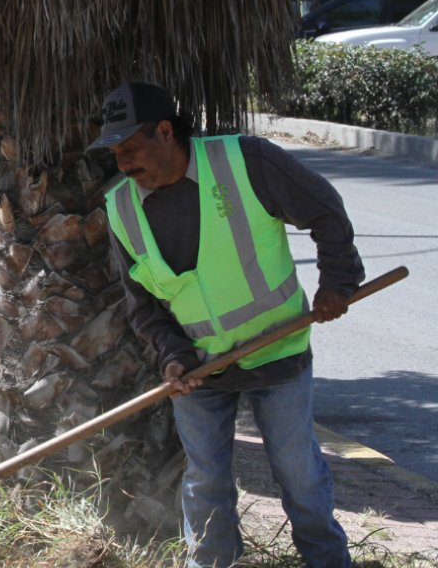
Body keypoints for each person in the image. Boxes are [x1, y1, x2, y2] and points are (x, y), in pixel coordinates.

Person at [90, 82, 363, 568]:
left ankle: (329, 563)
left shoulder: (247, 162)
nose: (124, 163)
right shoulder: (122, 210)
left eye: (130, 148)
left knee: (299, 475)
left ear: (166, 131)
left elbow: (325, 211)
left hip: (278, 355)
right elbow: (142, 305)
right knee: (205, 482)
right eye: (115, 154)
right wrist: (174, 356)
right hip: (202, 369)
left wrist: (337, 282)